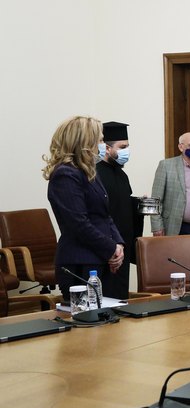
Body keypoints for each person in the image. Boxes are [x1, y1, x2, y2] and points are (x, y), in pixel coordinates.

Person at [43, 116, 124, 304]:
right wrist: (110, 248)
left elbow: (104, 215)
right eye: (100, 140)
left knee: (108, 317)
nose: (103, 145)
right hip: (79, 262)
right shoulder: (65, 174)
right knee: (86, 319)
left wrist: (118, 245)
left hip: (101, 258)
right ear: (85, 142)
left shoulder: (88, 171)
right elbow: (78, 224)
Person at [96, 121, 143, 300]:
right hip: (107, 244)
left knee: (121, 295)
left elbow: (122, 203)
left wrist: (139, 203)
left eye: (127, 147)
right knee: (107, 294)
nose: (126, 151)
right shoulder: (95, 174)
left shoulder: (122, 174)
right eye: (122, 147)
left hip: (123, 243)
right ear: (107, 149)